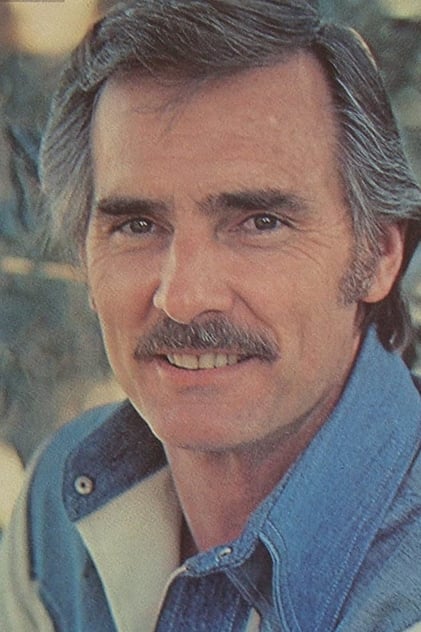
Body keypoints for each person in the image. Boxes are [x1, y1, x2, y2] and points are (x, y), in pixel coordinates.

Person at [1, 1, 421, 630]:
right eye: (137, 225)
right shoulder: (61, 503)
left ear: (380, 255)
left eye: (260, 222)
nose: (184, 296)